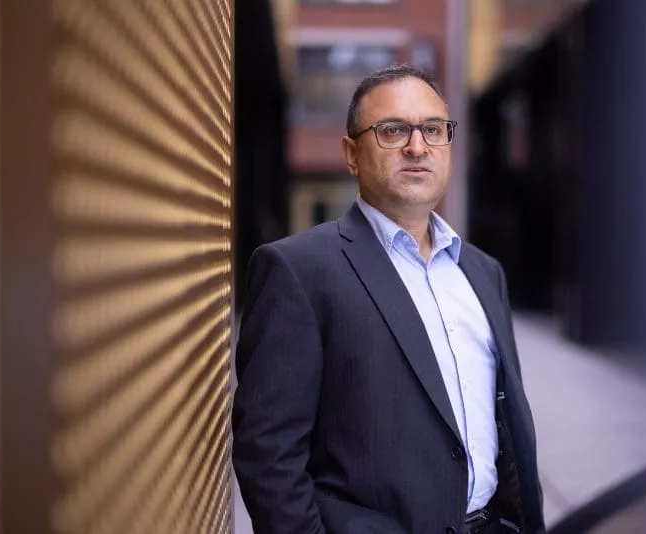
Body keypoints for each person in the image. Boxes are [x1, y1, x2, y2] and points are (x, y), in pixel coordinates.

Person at [233, 64, 545, 534]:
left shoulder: (484, 273)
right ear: (351, 153)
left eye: (433, 130)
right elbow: (268, 455)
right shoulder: (297, 271)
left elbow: (508, 430)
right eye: (392, 130)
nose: (417, 146)